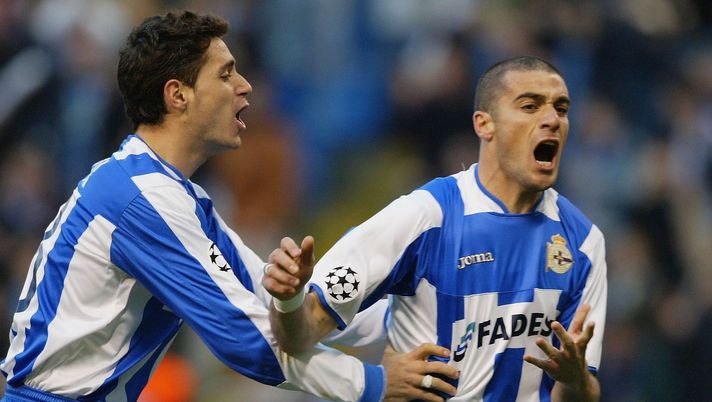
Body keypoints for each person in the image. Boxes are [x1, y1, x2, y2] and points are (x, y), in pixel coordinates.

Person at [0, 11, 458, 402]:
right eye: (225, 74)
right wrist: (374, 383)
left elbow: (270, 302)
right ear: (177, 94)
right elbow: (251, 342)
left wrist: (430, 319)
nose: (245, 86)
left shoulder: (176, 194)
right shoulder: (142, 199)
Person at [264, 56, 607, 401]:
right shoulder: (425, 217)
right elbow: (298, 337)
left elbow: (580, 394)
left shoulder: (583, 244)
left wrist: (576, 380)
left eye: (561, 109)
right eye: (530, 106)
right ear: (484, 124)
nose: (552, 120)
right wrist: (290, 301)